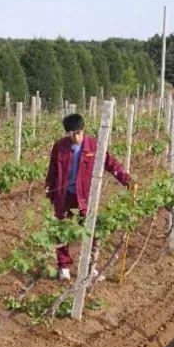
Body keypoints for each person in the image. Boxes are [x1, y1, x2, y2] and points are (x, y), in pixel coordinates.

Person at [45, 112, 133, 279]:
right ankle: (63, 267)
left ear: (83, 130)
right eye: (71, 134)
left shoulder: (93, 146)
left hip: (84, 196)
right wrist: (49, 190)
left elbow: (109, 162)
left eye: (78, 133)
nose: (76, 137)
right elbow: (52, 170)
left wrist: (125, 179)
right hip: (64, 196)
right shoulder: (59, 147)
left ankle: (90, 266)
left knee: (90, 229)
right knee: (61, 230)